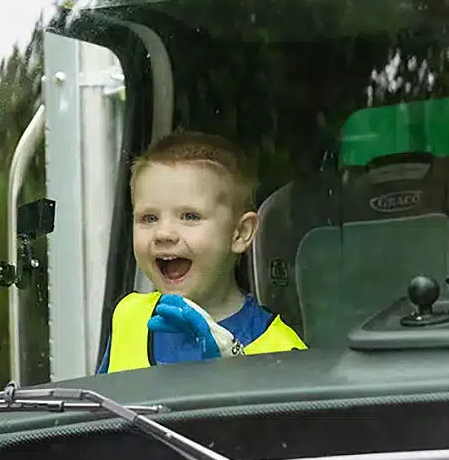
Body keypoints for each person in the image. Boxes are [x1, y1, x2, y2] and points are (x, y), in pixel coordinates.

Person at [97, 130, 306, 374]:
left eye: (190, 216)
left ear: (240, 233)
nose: (163, 233)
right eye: (149, 218)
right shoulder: (128, 317)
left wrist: (234, 365)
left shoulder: (283, 351)